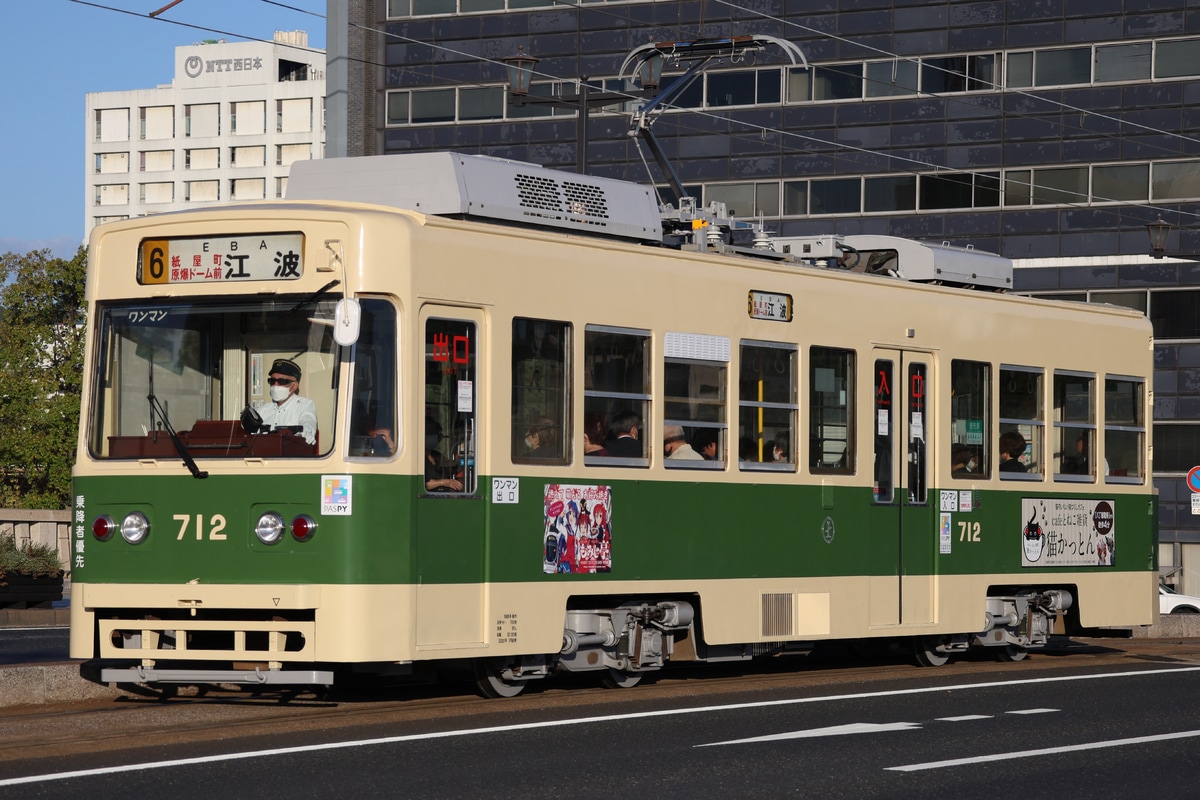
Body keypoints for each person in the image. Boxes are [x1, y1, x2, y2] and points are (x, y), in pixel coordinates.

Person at [256, 358, 317, 445]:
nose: (275, 385)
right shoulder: (263, 410)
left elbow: (308, 422)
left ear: (294, 386)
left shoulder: (304, 405)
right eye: (272, 381)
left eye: (282, 381)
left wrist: (306, 433)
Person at [424, 417, 462, 492]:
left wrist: (464, 461)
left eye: (434, 433)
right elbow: (425, 484)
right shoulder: (417, 458)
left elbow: (452, 467)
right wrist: (445, 482)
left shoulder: (436, 455)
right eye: (430, 433)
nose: (433, 436)